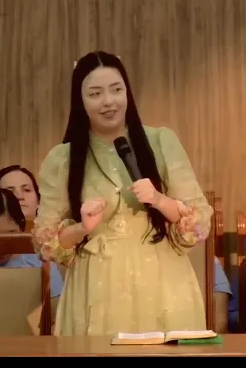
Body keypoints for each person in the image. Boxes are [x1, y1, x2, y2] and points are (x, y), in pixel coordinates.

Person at [33, 50, 212, 336]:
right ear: (80, 100)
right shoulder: (62, 159)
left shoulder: (161, 142)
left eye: (116, 90)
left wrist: (159, 200)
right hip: (96, 289)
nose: (108, 101)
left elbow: (198, 221)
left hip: (163, 283)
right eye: (95, 94)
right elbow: (46, 241)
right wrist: (82, 227)